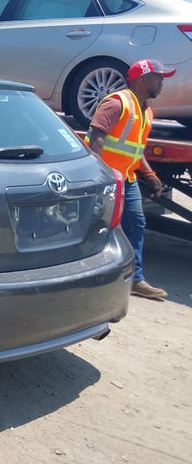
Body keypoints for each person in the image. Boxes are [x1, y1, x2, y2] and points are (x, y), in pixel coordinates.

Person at [86, 59, 175, 300]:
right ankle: (91, 277)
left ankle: (135, 279)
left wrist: (149, 173)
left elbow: (136, 149)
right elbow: (96, 138)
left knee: (136, 223)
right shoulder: (117, 102)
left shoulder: (145, 109)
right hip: (107, 178)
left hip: (127, 177)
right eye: (159, 77)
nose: (163, 82)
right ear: (142, 79)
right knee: (99, 227)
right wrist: (100, 176)